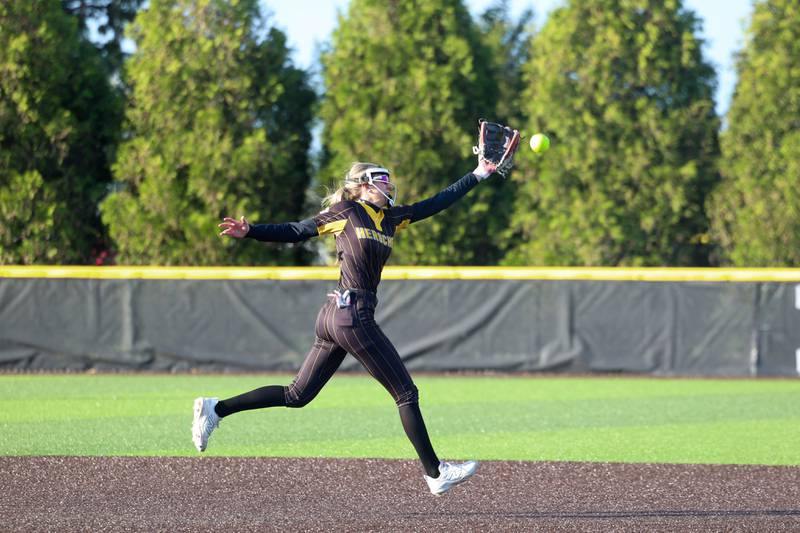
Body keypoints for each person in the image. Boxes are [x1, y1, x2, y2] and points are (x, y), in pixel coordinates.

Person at [192, 152, 498, 496]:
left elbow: (436, 203)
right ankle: (435, 472)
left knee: (297, 395)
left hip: (339, 315)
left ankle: (215, 409)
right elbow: (297, 231)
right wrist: (251, 231)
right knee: (406, 393)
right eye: (381, 180)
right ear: (363, 186)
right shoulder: (347, 211)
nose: (388, 185)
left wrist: (478, 173)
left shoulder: (390, 217)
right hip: (350, 313)